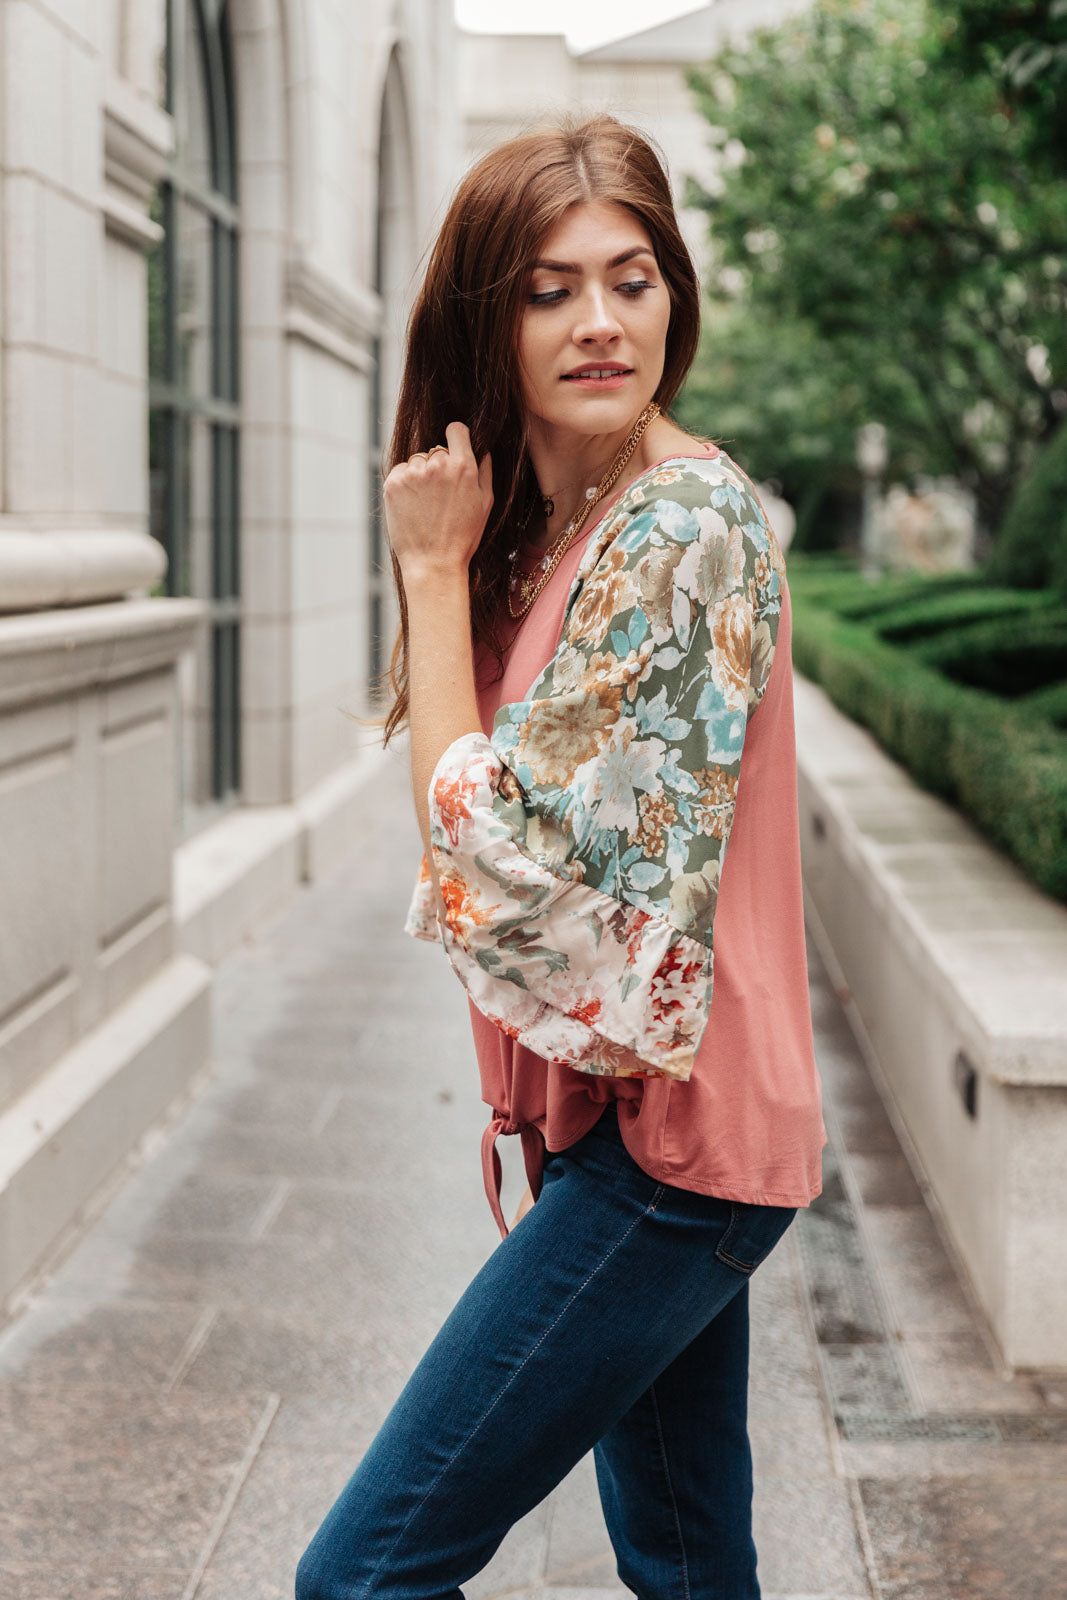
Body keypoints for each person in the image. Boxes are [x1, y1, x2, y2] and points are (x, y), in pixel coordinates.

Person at [296, 114, 826, 1600]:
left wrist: (427, 573)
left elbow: (500, 877)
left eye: (630, 279)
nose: (600, 321)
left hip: (670, 1155)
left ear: (675, 299)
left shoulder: (684, 525)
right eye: (550, 289)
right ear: (491, 320)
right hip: (631, 1134)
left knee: (365, 1575)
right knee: (690, 1566)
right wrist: (457, 563)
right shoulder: (560, 526)